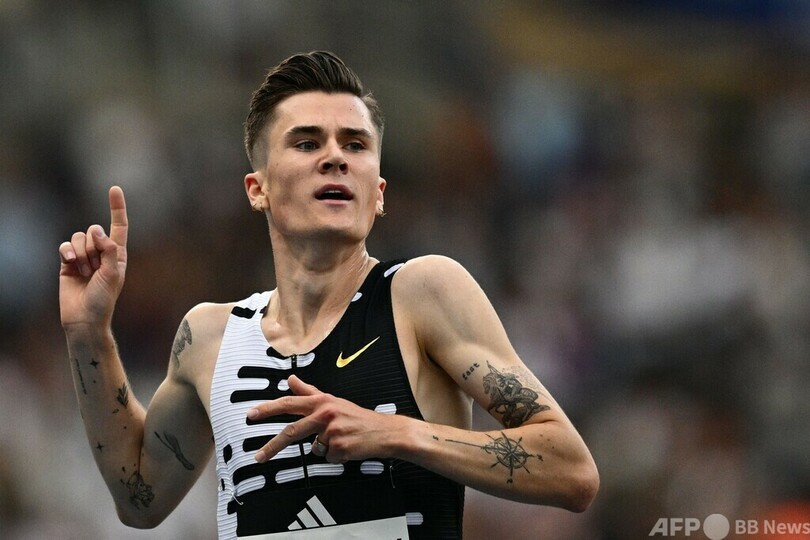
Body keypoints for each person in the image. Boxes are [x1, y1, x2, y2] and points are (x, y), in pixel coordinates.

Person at [58, 51, 598, 539]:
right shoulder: (208, 338)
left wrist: (397, 433)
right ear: (258, 189)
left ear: (378, 192)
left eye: (355, 145)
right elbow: (139, 500)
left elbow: (572, 471)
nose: (336, 157)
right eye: (307, 143)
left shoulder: (421, 294)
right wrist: (89, 335)